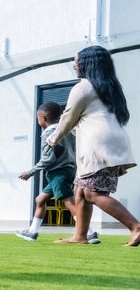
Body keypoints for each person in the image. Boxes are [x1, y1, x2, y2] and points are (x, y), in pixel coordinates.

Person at [48, 45, 140, 246]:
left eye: (76, 60)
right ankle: (80, 236)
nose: (74, 64)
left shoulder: (83, 87)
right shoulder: (109, 87)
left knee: (92, 193)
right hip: (111, 141)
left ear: (88, 63)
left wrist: (53, 139)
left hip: (97, 144)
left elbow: (68, 117)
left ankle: (136, 226)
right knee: (80, 191)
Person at [15, 102, 98, 243]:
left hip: (58, 173)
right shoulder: (66, 131)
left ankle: (89, 233)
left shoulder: (48, 134)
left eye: (37, 117)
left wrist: (30, 172)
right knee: (40, 200)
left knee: (69, 202)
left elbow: (48, 159)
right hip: (68, 170)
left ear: (42, 118)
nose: (37, 120)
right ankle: (32, 232)